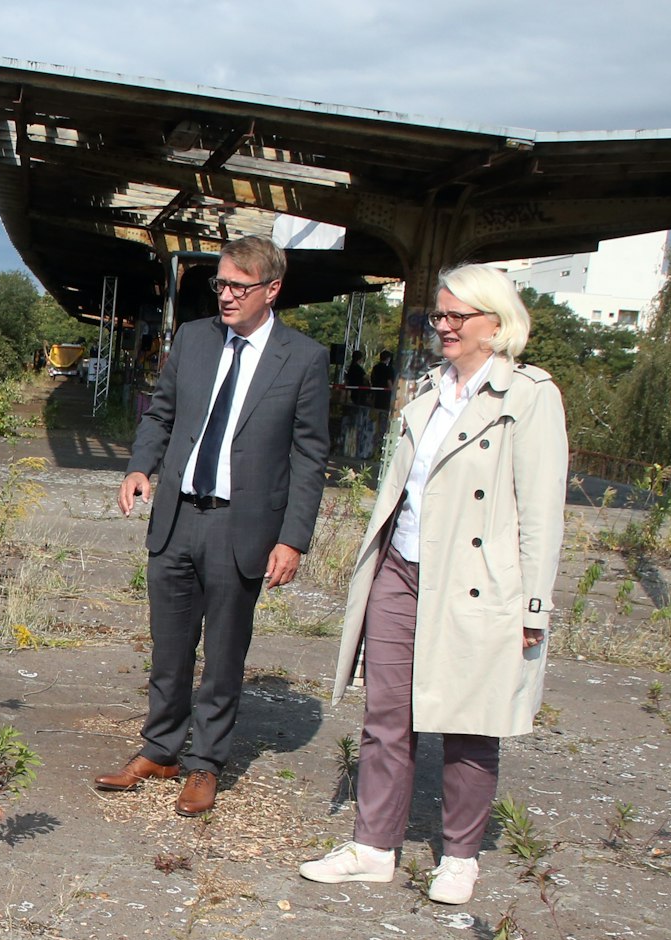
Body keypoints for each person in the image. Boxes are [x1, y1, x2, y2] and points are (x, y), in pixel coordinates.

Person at [299, 263, 566, 905]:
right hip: (401, 568)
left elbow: (541, 512)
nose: (442, 326)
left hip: (476, 584)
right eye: (438, 315)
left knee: (471, 722)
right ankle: (373, 847)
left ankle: (461, 857)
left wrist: (534, 605)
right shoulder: (426, 393)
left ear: (495, 324)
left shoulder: (529, 396)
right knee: (385, 714)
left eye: (456, 316)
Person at [94, 235, 331, 816]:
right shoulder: (194, 339)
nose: (225, 295)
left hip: (240, 526)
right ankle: (161, 749)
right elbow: (161, 414)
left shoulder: (302, 358)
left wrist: (293, 538)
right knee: (169, 646)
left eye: (238, 287)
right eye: (220, 283)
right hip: (177, 517)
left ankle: (205, 762)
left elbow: (309, 456)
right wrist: (140, 467)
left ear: (271, 290)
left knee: (224, 653)